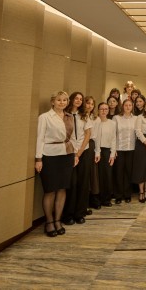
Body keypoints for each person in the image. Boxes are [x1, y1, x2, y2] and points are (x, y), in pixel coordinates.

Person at [35, 91, 75, 237]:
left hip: (67, 155)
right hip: (49, 156)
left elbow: (73, 137)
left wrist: (75, 154)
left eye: (65, 100)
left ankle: (58, 220)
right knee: (50, 190)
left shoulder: (69, 117)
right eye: (59, 100)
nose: (62, 102)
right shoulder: (45, 117)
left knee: (62, 189)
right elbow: (40, 138)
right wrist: (38, 159)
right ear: (53, 102)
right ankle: (49, 222)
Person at [62, 92, 94, 226]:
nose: (79, 101)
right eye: (76, 98)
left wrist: (79, 153)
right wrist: (73, 153)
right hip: (68, 152)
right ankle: (68, 214)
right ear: (71, 100)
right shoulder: (64, 114)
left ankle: (79, 213)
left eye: (81, 99)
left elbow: (88, 134)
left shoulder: (84, 115)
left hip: (83, 152)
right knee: (71, 183)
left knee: (83, 182)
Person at [113, 99, 137, 204]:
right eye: (126, 105)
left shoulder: (136, 118)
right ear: (122, 106)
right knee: (118, 172)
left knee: (128, 172)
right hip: (119, 149)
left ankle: (127, 194)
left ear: (132, 107)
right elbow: (113, 134)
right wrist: (113, 149)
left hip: (131, 148)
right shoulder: (116, 118)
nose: (128, 107)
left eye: (130, 105)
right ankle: (118, 195)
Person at [93, 102, 116, 207]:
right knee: (96, 176)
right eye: (101, 109)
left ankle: (106, 199)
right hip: (95, 151)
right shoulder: (95, 121)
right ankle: (96, 200)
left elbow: (114, 139)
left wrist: (112, 154)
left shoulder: (112, 123)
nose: (103, 111)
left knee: (107, 175)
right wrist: (97, 151)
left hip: (107, 151)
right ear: (98, 110)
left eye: (106, 109)